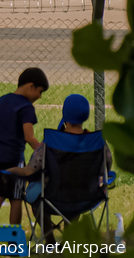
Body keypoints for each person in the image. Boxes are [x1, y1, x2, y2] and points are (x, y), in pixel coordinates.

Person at [6, 94, 113, 243]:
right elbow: (107, 169)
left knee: (37, 199)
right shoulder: (98, 143)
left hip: (52, 198)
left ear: (65, 117)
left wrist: (9, 171)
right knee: (75, 197)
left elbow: (31, 170)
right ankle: (68, 242)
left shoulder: (50, 142)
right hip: (86, 198)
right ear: (86, 116)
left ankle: (50, 242)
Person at [0, 67, 49, 225]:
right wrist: (42, 151)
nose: (39, 96)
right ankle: (14, 239)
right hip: (13, 160)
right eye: (40, 91)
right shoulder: (26, 107)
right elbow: (28, 136)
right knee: (16, 198)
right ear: (31, 86)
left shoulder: (1, 101)